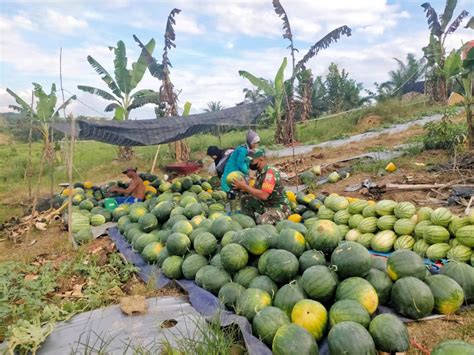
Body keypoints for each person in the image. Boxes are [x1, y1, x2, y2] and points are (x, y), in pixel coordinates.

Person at [232, 148, 290, 224]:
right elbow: (254, 190)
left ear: (261, 159)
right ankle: (248, 223)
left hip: (279, 208)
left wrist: (245, 187)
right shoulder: (259, 172)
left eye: (252, 161)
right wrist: (242, 187)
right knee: (245, 199)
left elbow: (264, 195)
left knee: (261, 221)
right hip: (266, 205)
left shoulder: (270, 172)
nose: (250, 164)